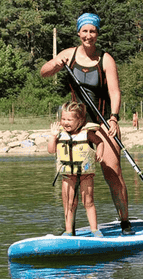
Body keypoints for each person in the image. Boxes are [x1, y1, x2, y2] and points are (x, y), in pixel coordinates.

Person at [40, 12, 133, 234]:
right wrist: (55, 64)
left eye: (93, 31)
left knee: (113, 174)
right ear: (79, 32)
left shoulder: (105, 59)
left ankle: (125, 222)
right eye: (85, 31)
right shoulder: (68, 55)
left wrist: (114, 117)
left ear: (97, 33)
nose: (88, 35)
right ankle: (69, 230)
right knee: (71, 177)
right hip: (75, 127)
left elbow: (115, 91)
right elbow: (43, 73)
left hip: (101, 125)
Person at [48, 101, 105, 237]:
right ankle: (68, 231)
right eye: (63, 119)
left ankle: (95, 230)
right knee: (68, 204)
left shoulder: (87, 133)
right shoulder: (60, 134)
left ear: (79, 121)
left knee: (88, 202)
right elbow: (51, 150)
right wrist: (53, 136)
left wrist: (100, 152)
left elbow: (99, 141)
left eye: (69, 119)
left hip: (86, 174)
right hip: (68, 176)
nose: (65, 122)